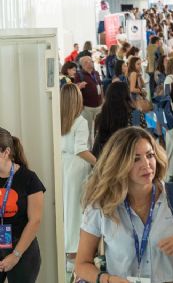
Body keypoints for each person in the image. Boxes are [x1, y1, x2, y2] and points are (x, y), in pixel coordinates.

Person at [75, 127, 173, 283]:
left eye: (150, 155)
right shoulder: (102, 204)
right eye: (136, 159)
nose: (147, 164)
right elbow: (81, 264)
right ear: (119, 163)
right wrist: (107, 280)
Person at [0, 127, 46, 282]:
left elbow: (35, 221)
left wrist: (15, 256)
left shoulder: (29, 179)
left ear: (5, 152)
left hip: (22, 250)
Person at [60, 84, 96, 268]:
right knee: (75, 210)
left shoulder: (58, 119)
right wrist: (99, 163)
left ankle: (66, 252)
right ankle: (73, 254)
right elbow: (81, 148)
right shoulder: (80, 121)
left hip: (62, 165)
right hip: (76, 168)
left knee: (65, 209)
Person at [93, 82, 147, 159]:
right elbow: (139, 138)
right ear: (127, 96)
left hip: (107, 161)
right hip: (129, 160)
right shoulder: (135, 115)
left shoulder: (101, 117)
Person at [75, 56, 103, 148]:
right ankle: (88, 149)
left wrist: (102, 100)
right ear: (82, 65)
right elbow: (75, 89)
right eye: (86, 62)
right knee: (88, 129)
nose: (89, 63)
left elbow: (100, 87)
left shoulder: (96, 73)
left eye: (90, 61)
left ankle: (97, 148)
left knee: (98, 128)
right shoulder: (79, 75)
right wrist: (79, 86)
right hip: (86, 107)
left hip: (98, 106)